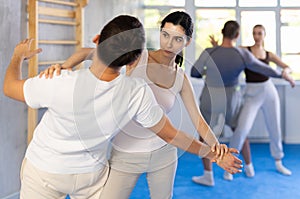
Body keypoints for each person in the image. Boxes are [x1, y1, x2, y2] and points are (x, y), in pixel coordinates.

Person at [3, 15, 242, 199]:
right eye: (165, 35)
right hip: (108, 165)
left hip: (61, 171)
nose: (170, 44)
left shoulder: (60, 84)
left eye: (178, 38)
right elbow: (172, 133)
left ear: (98, 41)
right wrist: (63, 66)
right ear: (135, 57)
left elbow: (10, 87)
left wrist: (19, 58)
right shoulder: (136, 91)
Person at [190, 20, 294, 186]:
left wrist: (208, 70)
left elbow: (194, 73)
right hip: (231, 100)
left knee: (205, 136)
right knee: (240, 131)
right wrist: (284, 75)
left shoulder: (209, 52)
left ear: (222, 32)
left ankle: (208, 175)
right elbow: (264, 69)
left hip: (210, 98)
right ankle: (248, 167)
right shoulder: (242, 54)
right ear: (237, 36)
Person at [223, 24, 293, 180]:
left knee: (274, 127)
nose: (257, 36)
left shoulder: (269, 54)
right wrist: (217, 47)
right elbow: (228, 51)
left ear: (264, 35)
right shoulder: (244, 50)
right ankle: (229, 165)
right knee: (241, 129)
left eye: (260, 33)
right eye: (254, 33)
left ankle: (278, 161)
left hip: (268, 91)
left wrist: (286, 73)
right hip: (251, 92)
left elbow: (286, 67)